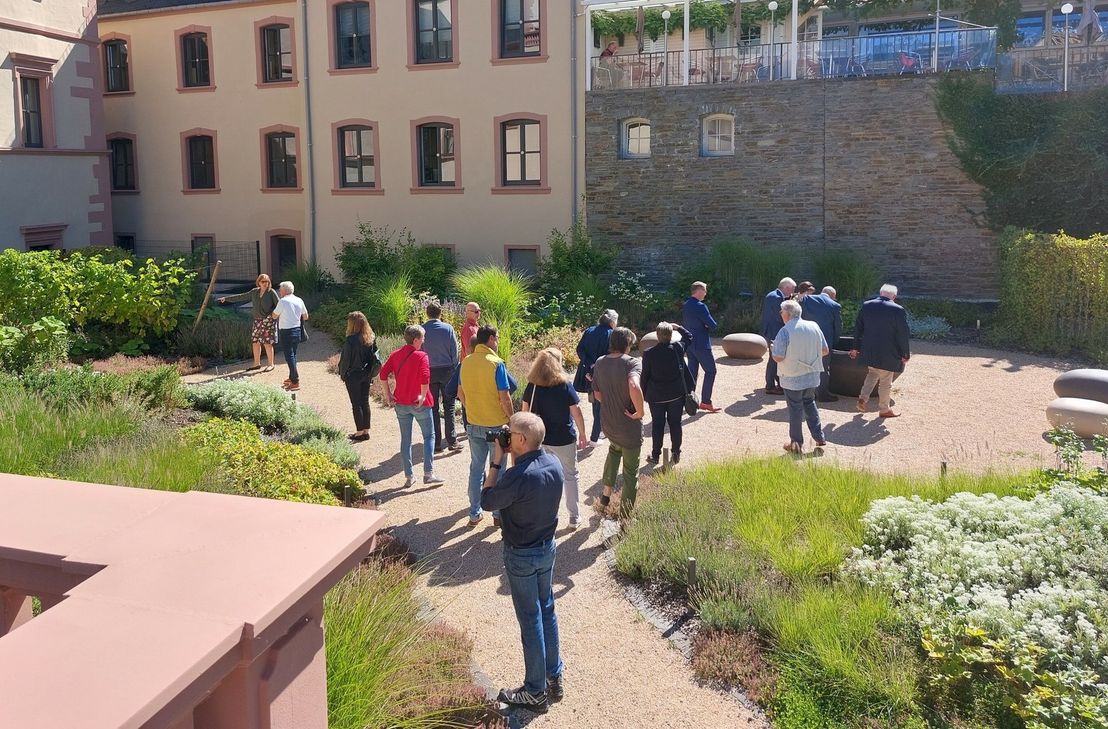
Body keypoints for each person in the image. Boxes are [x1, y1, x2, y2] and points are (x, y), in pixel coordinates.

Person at [479, 412, 564, 714]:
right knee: (547, 610)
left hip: (521, 555)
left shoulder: (517, 476)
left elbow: (487, 500)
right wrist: (512, 453)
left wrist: (496, 461)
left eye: (510, 433)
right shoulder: (554, 463)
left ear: (522, 439)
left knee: (530, 619)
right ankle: (554, 677)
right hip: (547, 548)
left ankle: (535, 692)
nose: (505, 436)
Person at [522, 348, 588, 530]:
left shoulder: (533, 385)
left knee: (544, 477)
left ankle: (546, 516)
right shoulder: (564, 385)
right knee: (570, 476)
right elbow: (576, 412)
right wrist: (583, 433)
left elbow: (524, 412)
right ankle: (574, 516)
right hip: (563, 438)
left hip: (540, 439)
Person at [459, 325, 515, 528]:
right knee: (498, 468)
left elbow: (460, 393)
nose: (498, 341)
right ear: (491, 339)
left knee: (476, 469)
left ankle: (474, 512)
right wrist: (512, 419)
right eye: (497, 338)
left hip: (474, 424)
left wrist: (471, 409)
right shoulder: (496, 363)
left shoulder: (466, 362)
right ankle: (498, 515)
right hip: (496, 426)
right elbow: (504, 397)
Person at [380, 325, 444, 487]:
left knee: (406, 439)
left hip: (401, 402)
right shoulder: (421, 356)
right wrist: (422, 396)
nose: (424, 340)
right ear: (415, 340)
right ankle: (428, 473)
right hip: (419, 404)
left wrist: (388, 395)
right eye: (422, 338)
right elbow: (425, 378)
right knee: (429, 436)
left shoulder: (395, 355)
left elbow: (383, 374)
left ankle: (409, 476)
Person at [591, 327, 645, 517]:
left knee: (614, 451)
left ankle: (605, 495)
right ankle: (625, 517)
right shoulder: (632, 363)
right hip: (628, 428)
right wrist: (639, 412)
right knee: (631, 473)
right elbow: (633, 384)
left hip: (609, 423)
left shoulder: (600, 362)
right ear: (627, 344)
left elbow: (598, 395)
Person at [772, 300, 829, 453]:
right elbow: (825, 350)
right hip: (812, 375)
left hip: (793, 377)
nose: (780, 314)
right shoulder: (814, 326)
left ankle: (796, 444)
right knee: (810, 403)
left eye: (782, 312)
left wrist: (772, 349)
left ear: (788, 314)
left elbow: (778, 357)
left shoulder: (785, 331)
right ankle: (819, 437)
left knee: (795, 409)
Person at [850, 284, 910, 418]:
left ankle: (862, 398)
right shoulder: (898, 310)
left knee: (872, 373)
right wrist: (905, 353)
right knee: (885, 381)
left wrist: (855, 347)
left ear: (880, 293)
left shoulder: (867, 305)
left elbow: (858, 328)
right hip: (889, 351)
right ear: (894, 296)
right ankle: (884, 409)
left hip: (869, 349)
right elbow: (902, 334)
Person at [641, 322, 695, 465]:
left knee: (657, 425)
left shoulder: (649, 353)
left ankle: (656, 455)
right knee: (675, 423)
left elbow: (645, 376)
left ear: (657, 335)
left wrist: (643, 394)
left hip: (656, 396)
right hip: (676, 394)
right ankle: (676, 453)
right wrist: (678, 327)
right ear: (671, 335)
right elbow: (689, 337)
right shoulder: (677, 348)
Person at [573, 310, 618, 445]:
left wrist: (590, 363)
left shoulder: (590, 330)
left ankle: (600, 431)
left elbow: (580, 349)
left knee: (595, 402)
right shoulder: (612, 334)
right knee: (602, 404)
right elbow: (612, 354)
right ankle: (595, 437)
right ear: (612, 321)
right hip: (604, 372)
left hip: (588, 371)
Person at [218, 274, 280, 372]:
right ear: (258, 282)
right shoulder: (254, 291)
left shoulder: (271, 292)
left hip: (268, 321)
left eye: (267, 281)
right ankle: (256, 363)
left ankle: (270, 364)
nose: (265, 283)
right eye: (263, 281)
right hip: (257, 320)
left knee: (267, 343)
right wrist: (226, 299)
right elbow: (242, 296)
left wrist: (273, 316)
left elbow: (279, 305)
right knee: (255, 342)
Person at [423, 302, 462, 453]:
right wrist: (454, 368)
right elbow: (454, 350)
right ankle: (452, 440)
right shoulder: (448, 328)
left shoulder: (422, 329)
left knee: (432, 407)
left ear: (427, 313)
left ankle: (436, 442)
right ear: (441, 313)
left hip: (429, 370)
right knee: (449, 406)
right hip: (447, 370)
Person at [337, 311, 379, 442]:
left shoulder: (350, 340)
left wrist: (343, 374)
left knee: (356, 403)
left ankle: (359, 432)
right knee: (365, 402)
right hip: (366, 374)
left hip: (353, 375)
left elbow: (345, 360)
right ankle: (366, 431)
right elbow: (375, 358)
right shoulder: (370, 338)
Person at [797, 281, 842, 402]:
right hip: (825, 341)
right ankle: (822, 395)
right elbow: (838, 327)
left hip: (806, 339)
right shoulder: (835, 306)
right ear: (833, 296)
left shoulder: (806, 299)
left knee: (806, 366)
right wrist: (835, 341)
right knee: (823, 368)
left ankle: (805, 393)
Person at [681, 282, 721, 412]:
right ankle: (706, 401)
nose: (705, 293)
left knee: (692, 373)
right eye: (705, 291)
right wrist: (705, 326)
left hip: (690, 344)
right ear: (699, 291)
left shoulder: (686, 305)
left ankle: (689, 400)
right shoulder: (701, 306)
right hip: (702, 344)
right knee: (711, 371)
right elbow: (713, 325)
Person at [761, 277, 797, 396]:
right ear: (786, 288)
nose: (793, 291)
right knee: (774, 359)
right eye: (793, 289)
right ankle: (770, 386)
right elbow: (780, 317)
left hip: (771, 330)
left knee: (774, 358)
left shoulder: (773, 295)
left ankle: (776, 384)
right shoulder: (776, 298)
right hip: (774, 332)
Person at [271, 281, 308, 392]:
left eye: (280, 290)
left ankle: (295, 381)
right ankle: (292, 377)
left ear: (284, 290)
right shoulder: (299, 300)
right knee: (293, 354)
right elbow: (306, 316)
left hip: (286, 331)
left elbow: (274, 315)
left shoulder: (283, 301)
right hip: (297, 330)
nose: (279, 292)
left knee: (289, 356)